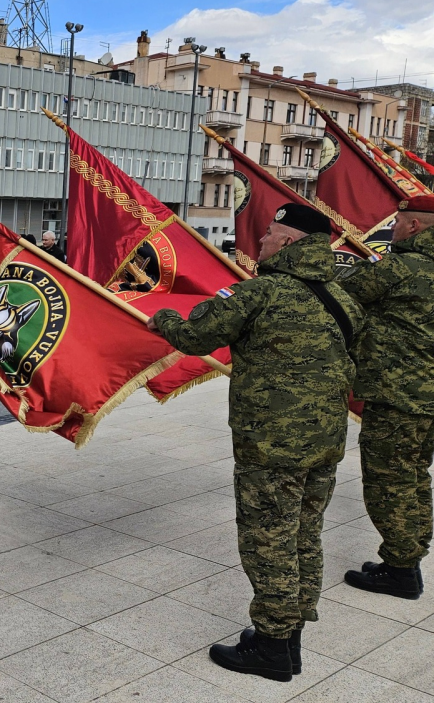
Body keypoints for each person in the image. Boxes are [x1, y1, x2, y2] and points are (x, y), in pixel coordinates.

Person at [148, 203, 361, 682]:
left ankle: (269, 647)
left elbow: (196, 335)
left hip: (272, 446)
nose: (259, 241)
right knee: (305, 536)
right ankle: (289, 640)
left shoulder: (260, 294)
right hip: (325, 441)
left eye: (268, 233)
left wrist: (161, 317)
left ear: (287, 242)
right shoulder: (342, 298)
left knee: (269, 541)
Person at [337, 195, 434, 600]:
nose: (391, 230)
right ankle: (407, 558)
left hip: (399, 398)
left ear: (414, 227)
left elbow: (343, 291)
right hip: (428, 401)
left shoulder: (401, 267)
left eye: (397, 223)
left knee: (389, 481)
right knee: (415, 477)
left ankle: (400, 569)